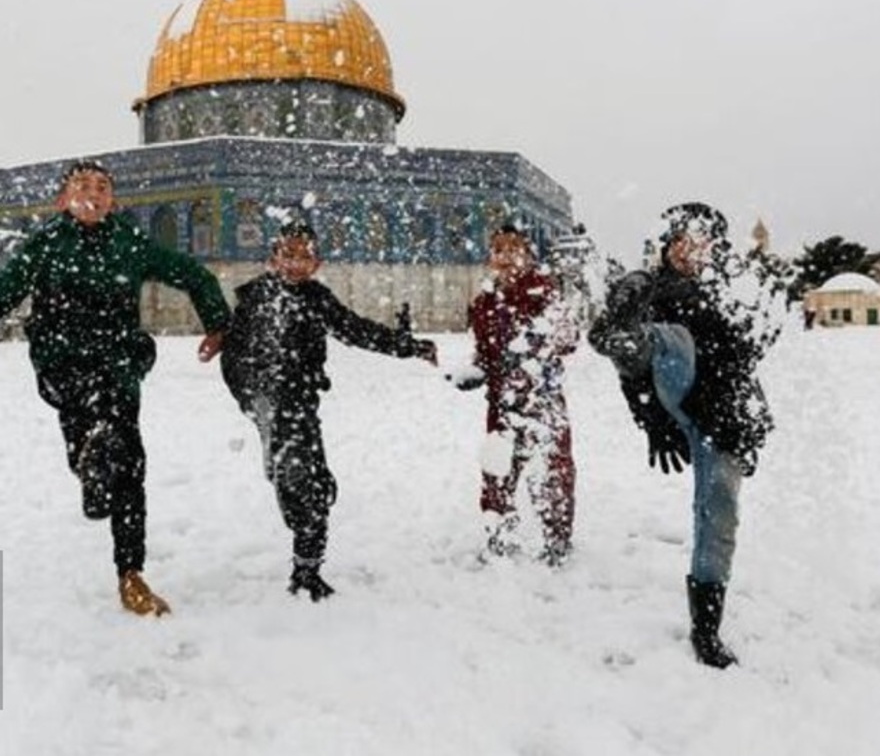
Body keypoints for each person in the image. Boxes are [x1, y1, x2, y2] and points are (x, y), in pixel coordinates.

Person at [0, 160, 231, 616]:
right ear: (62, 200)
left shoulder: (130, 243)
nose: (93, 192)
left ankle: (131, 574)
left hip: (119, 361)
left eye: (102, 186)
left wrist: (218, 322)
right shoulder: (43, 246)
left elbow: (193, 273)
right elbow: (3, 289)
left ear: (113, 200)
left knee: (130, 464)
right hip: (64, 361)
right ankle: (92, 462)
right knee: (94, 429)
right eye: (82, 185)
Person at [589, 202, 783, 668]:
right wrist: (650, 419)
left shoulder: (730, 294)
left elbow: (745, 366)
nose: (689, 251)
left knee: (719, 513)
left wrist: (751, 427)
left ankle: (706, 630)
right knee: (667, 333)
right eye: (680, 241)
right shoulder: (648, 286)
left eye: (699, 243)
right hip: (670, 382)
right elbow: (612, 350)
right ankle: (644, 339)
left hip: (717, 414)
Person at [219, 220, 438, 601]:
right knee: (296, 480)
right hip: (271, 408)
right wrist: (251, 400)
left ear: (316, 263)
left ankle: (307, 570)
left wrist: (408, 346)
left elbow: (356, 330)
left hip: (302, 407)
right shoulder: (255, 298)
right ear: (274, 258)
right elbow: (233, 357)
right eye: (288, 254)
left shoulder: (317, 299)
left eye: (305, 256)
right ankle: (303, 538)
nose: (296, 263)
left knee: (312, 487)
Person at [454, 225, 578, 565]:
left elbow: (568, 339)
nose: (506, 256)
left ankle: (557, 539)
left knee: (554, 473)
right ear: (490, 257)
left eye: (514, 248)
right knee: (497, 471)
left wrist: (534, 350)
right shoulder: (483, 302)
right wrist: (474, 372)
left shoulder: (544, 292)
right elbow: (482, 353)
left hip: (543, 402)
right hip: (502, 404)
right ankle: (499, 534)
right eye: (498, 249)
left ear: (528, 254)